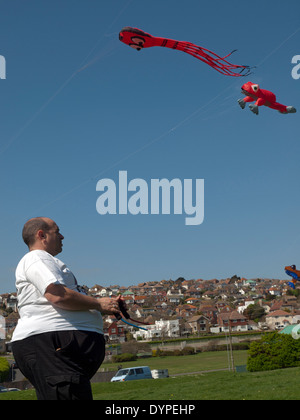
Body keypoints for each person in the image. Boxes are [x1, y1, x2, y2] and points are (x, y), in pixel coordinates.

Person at [11, 217, 124, 400]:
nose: (62, 236)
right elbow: (57, 294)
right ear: (42, 235)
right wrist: (98, 304)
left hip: (56, 347)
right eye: (57, 232)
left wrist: (104, 307)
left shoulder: (45, 261)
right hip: (52, 345)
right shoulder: (36, 258)